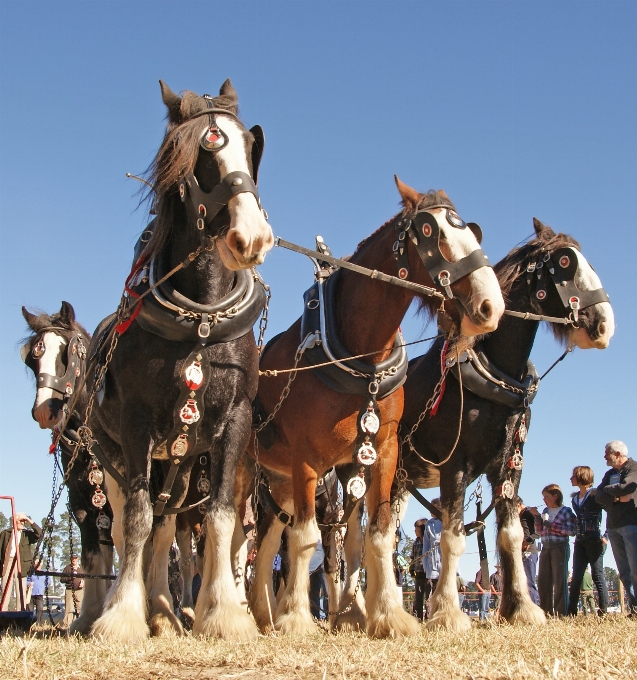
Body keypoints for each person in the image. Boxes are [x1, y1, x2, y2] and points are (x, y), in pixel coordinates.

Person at [595, 440, 637, 616]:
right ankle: (634, 607)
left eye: (607, 453)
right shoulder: (609, 473)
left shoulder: (633, 468)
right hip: (613, 527)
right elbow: (598, 495)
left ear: (618, 454)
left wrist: (608, 491)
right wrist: (618, 498)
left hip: (631, 525)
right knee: (623, 571)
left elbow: (628, 486)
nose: (604, 456)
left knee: (635, 568)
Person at [566, 465, 609, 617]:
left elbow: (611, 511)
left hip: (594, 540)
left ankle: (603, 611)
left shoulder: (596, 495)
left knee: (597, 575)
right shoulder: (575, 499)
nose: (571, 478)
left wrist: (606, 536)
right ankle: (571, 612)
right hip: (580, 539)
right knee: (576, 576)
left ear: (581, 477)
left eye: (573, 476)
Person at [531, 484, 576, 617]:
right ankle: (546, 612)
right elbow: (539, 532)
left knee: (559, 580)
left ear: (555, 496)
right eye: (543, 497)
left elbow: (572, 530)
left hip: (560, 547)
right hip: (546, 547)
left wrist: (552, 526)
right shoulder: (545, 511)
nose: (544, 499)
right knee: (543, 581)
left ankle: (561, 613)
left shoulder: (566, 511)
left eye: (546, 496)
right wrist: (538, 518)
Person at [516, 496, 540, 605]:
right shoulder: (520, 516)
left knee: (530, 581)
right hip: (521, 551)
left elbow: (539, 530)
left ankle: (535, 605)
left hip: (530, 552)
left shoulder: (529, 512)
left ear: (518, 505)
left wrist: (528, 541)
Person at [422, 499, 442, 618]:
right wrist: (426, 564)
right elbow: (426, 545)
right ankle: (434, 613)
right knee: (434, 588)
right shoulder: (429, 524)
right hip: (432, 559)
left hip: (443, 558)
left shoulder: (446, 521)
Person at [409, 519, 427, 621]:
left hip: (428, 573)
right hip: (419, 573)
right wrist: (412, 569)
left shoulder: (428, 542)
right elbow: (413, 557)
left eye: (417, 529)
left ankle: (428, 616)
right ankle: (417, 617)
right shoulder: (415, 543)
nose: (415, 531)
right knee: (418, 597)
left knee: (429, 597)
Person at [60, 555, 84, 627]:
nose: (74, 560)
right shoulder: (67, 568)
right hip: (69, 590)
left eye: (75, 558)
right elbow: (62, 579)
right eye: (73, 558)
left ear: (77, 559)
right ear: (71, 559)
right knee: (69, 608)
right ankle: (67, 624)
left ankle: (79, 623)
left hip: (79, 591)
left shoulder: (81, 568)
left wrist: (83, 582)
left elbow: (85, 578)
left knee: (79, 607)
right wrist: (70, 578)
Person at [26, 558, 47, 625]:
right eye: (37, 563)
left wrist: (44, 586)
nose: (38, 565)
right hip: (31, 594)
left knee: (40, 609)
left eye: (40, 563)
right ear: (34, 564)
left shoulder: (44, 572)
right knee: (30, 610)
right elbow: (26, 581)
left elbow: (48, 580)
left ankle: (39, 624)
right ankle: (30, 624)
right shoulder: (30, 572)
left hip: (39, 594)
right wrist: (29, 583)